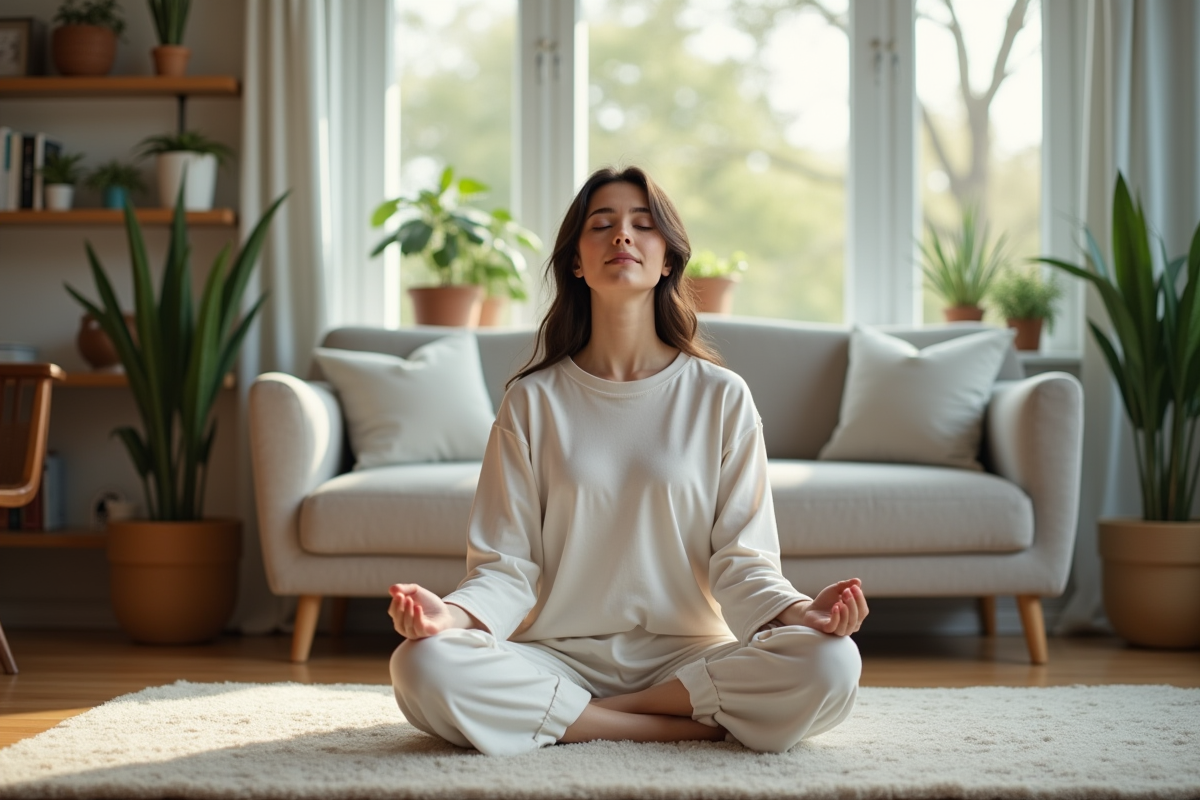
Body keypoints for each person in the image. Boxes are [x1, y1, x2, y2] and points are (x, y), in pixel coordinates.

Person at [388, 166, 867, 756]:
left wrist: (798, 612)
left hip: (688, 658)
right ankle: (685, 727)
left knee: (831, 662)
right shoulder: (532, 400)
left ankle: (585, 719)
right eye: (602, 225)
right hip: (553, 655)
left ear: (667, 260)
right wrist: (452, 616)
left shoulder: (721, 396)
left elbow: (743, 564)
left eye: (643, 225)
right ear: (576, 262)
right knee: (421, 665)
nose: (622, 236)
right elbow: (506, 567)